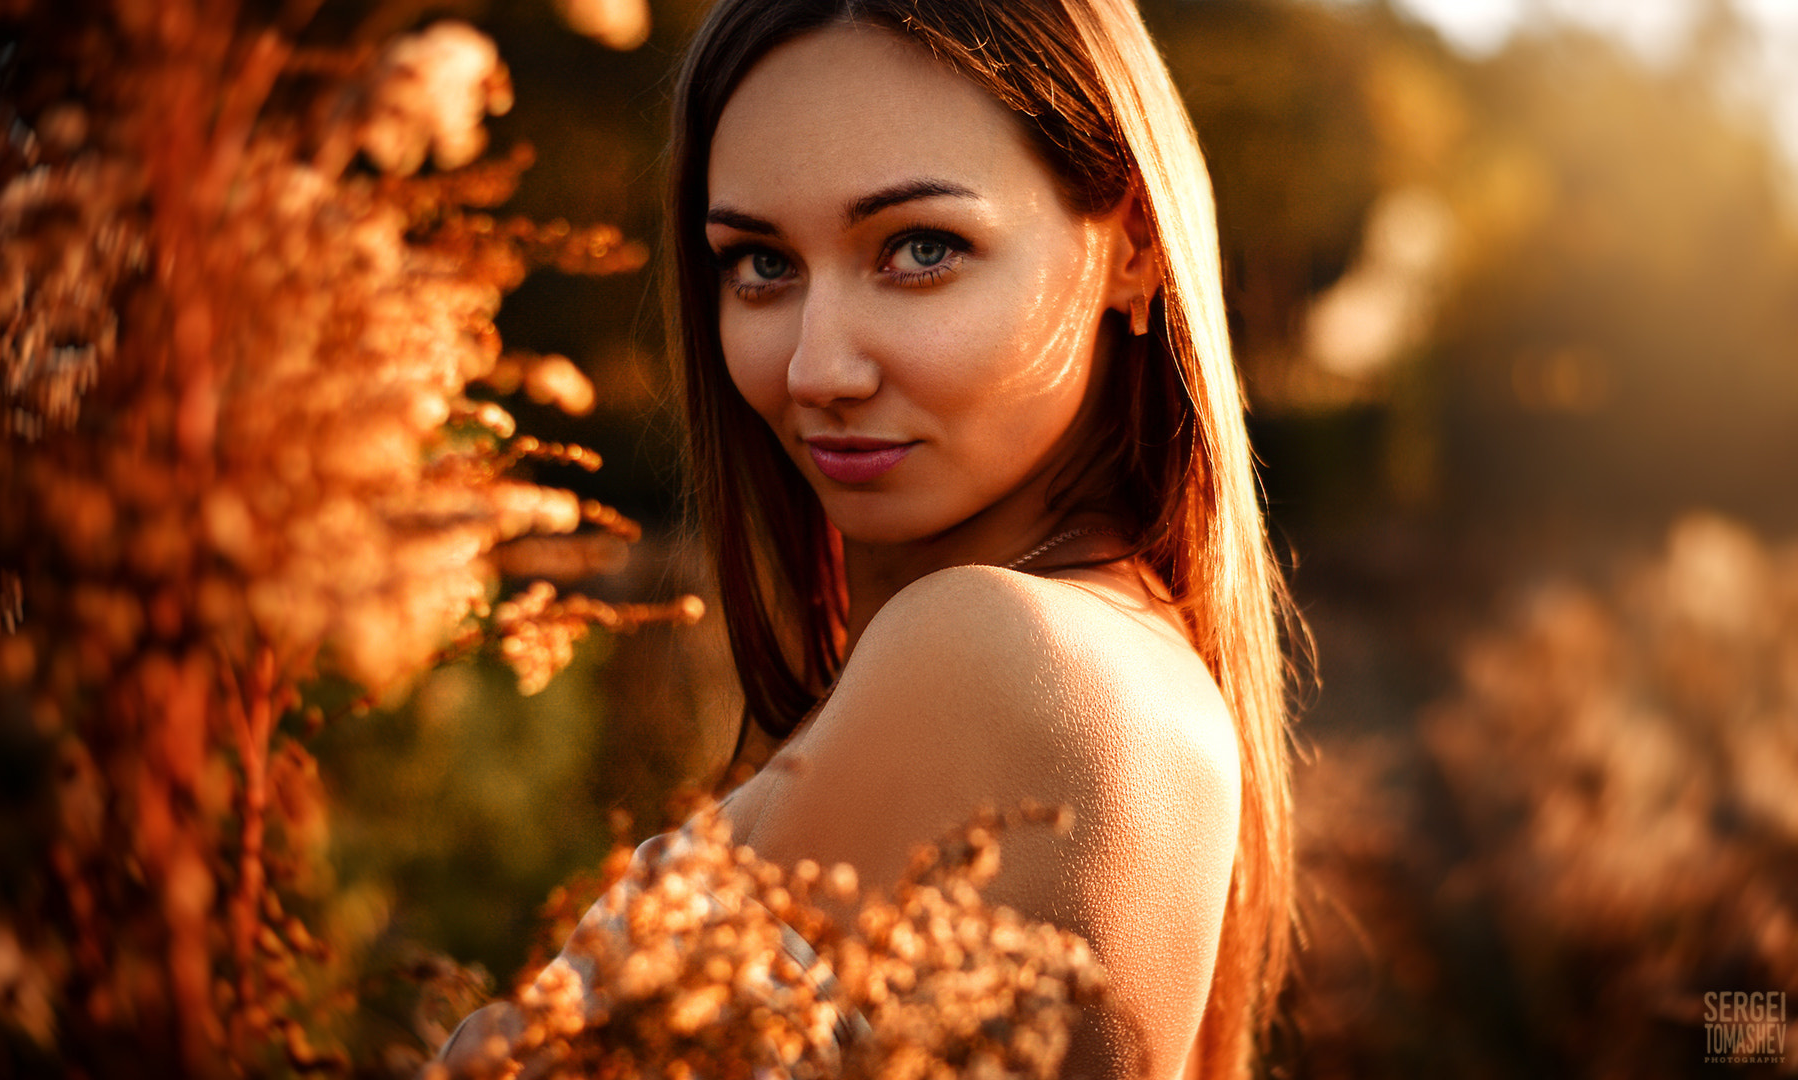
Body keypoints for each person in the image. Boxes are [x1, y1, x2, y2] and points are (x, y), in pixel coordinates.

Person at [446, 1, 1294, 1077]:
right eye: (759, 263)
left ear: (1131, 249)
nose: (814, 370)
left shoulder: (997, 652)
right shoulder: (1136, 657)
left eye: (920, 248)